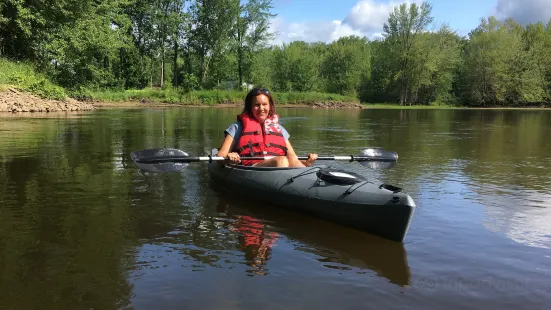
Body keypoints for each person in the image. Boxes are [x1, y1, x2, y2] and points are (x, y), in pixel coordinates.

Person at [216, 87, 318, 167]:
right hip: (252, 168)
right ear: (250, 107)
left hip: (279, 167)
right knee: (282, 160)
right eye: (257, 105)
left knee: (284, 161)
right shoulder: (237, 127)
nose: (261, 109)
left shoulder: (279, 129)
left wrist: (306, 163)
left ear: (270, 106)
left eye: (265, 104)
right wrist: (230, 157)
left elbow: (292, 159)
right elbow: (220, 156)